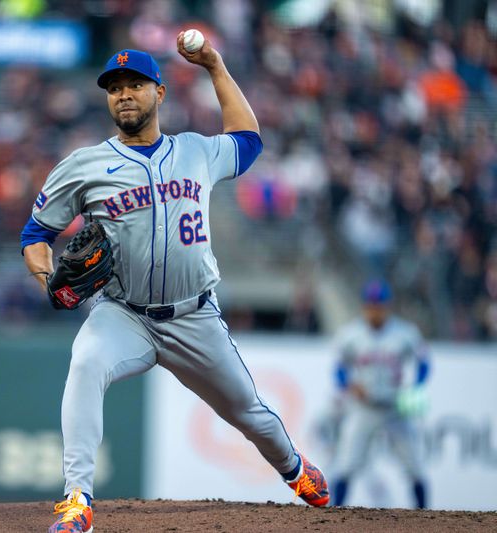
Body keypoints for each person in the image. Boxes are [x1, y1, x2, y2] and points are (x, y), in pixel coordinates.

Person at [21, 34, 329, 533]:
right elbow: (36, 234)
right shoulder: (84, 166)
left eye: (135, 84)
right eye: (114, 86)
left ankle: (294, 468)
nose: (124, 93)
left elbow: (249, 140)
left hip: (194, 316)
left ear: (159, 93)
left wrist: (214, 65)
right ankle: (77, 500)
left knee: (249, 413)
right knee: (83, 364)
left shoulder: (195, 152)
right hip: (124, 314)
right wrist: (44, 279)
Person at [331, 279, 431, 508]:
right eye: (371, 305)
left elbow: (424, 363)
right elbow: (338, 369)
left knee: (414, 466)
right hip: (364, 408)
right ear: (364, 306)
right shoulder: (351, 334)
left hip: (395, 407)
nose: (375, 310)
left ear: (388, 306)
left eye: (379, 305)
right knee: (346, 464)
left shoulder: (405, 333)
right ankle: (332, 519)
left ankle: (426, 520)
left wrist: (415, 386)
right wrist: (349, 385)